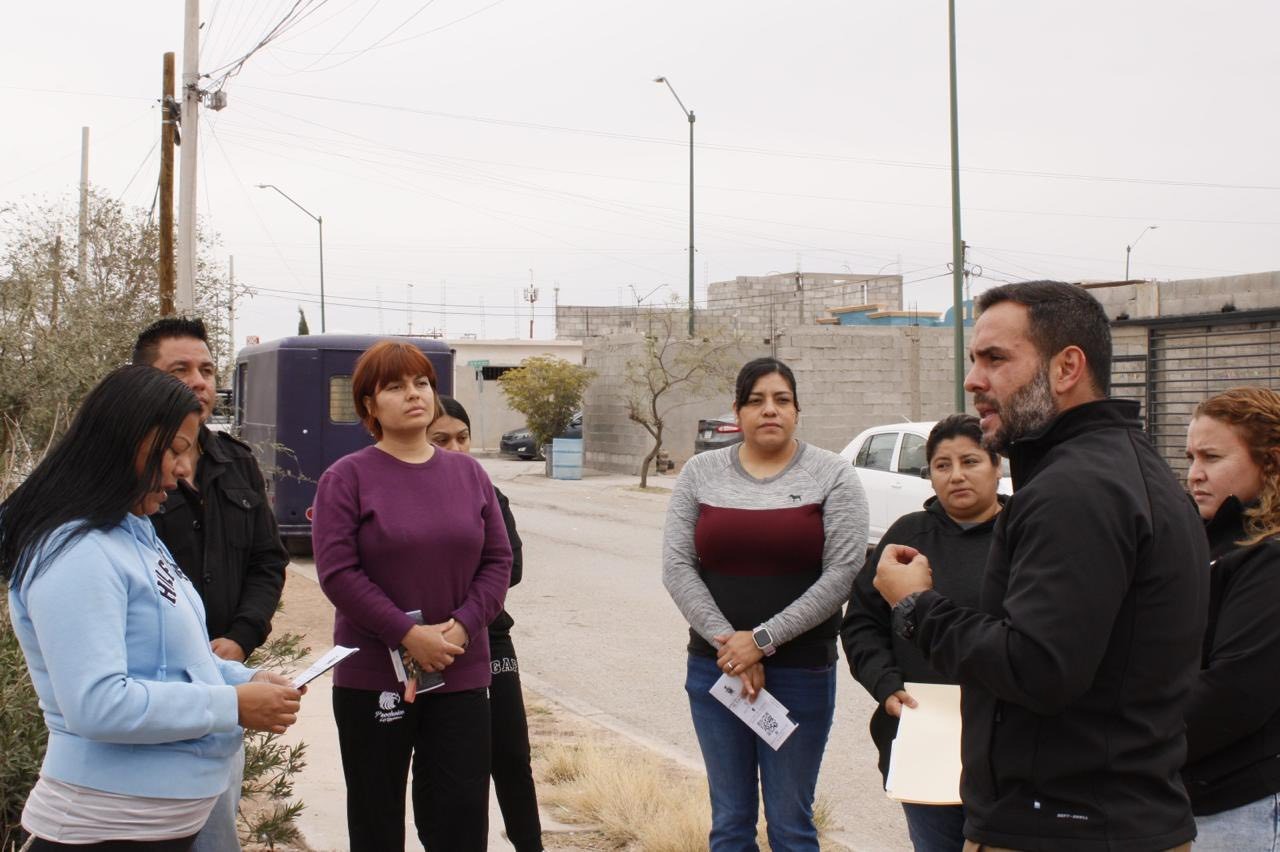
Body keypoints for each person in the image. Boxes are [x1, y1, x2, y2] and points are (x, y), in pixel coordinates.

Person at [874, 281, 1208, 852]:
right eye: (974, 360)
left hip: (1063, 828)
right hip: (1108, 820)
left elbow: (1037, 668)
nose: (973, 380)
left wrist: (916, 607)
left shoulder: (1075, 490)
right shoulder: (1125, 470)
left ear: (1066, 367)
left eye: (995, 359)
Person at [2, 366, 302, 851]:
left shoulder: (134, 533)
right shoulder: (76, 552)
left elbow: (176, 660)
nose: (183, 470)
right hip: (101, 831)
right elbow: (98, 704)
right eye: (176, 450)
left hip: (155, 830)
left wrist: (245, 679)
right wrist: (231, 704)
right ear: (128, 443)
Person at [312, 340, 512, 852]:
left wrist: (463, 627)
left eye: (422, 383)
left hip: (460, 669)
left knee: (460, 820)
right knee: (377, 820)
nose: (414, 394)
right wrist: (406, 634)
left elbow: (498, 560)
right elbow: (338, 573)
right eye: (395, 386)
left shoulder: (469, 473)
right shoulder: (346, 478)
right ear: (369, 405)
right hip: (374, 676)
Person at [663, 357, 868, 852]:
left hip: (800, 673)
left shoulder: (833, 474)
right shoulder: (700, 472)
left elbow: (842, 574)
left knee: (791, 825)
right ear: (737, 411)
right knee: (730, 823)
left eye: (781, 400)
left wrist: (760, 641)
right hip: (717, 670)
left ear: (797, 410)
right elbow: (677, 566)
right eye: (756, 401)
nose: (769, 410)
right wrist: (732, 648)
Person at [133, 317, 289, 852]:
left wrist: (240, 640)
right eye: (179, 370)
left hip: (222, 686)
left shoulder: (237, 462)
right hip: (149, 702)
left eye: (206, 369)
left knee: (215, 833)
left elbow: (267, 561)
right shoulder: (124, 478)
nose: (198, 382)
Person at [842, 413, 1005, 852]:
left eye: (970, 461)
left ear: (997, 466)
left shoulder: (1024, 536)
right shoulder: (907, 538)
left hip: (1010, 744)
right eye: (942, 465)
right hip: (924, 740)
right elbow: (862, 622)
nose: (957, 475)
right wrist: (885, 683)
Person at [428, 396, 543, 852]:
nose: (455, 449)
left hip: (490, 639)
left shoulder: (489, 494)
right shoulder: (401, 497)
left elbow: (511, 567)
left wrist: (466, 611)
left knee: (511, 753)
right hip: (421, 645)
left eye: (462, 438)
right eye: (441, 440)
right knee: (447, 767)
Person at [1181, 387, 1280, 850]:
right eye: (1191, 458)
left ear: (1269, 461)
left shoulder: (1269, 556)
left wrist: (1127, 745)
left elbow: (1235, 691)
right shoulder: (1216, 540)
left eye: (1212, 457)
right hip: (1194, 793)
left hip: (1240, 805)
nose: (1195, 474)